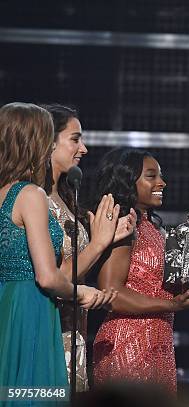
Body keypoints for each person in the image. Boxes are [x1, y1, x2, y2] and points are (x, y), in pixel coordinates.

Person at [0, 102, 112, 400]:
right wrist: (82, 293)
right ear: (36, 142)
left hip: (6, 304)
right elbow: (48, 277)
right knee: (37, 394)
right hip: (31, 308)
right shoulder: (30, 195)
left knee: (12, 391)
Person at [92, 148, 189, 394]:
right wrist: (172, 306)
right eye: (151, 176)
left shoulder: (152, 227)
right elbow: (111, 292)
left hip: (159, 341)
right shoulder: (124, 224)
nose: (162, 182)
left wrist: (188, 276)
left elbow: (155, 286)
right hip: (127, 342)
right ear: (128, 180)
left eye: (160, 175)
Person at [42, 104, 136, 391]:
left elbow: (77, 268)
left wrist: (110, 239)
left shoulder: (64, 197)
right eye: (75, 139)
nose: (83, 149)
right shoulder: (35, 201)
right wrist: (97, 243)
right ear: (48, 141)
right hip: (48, 329)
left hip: (75, 333)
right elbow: (57, 275)